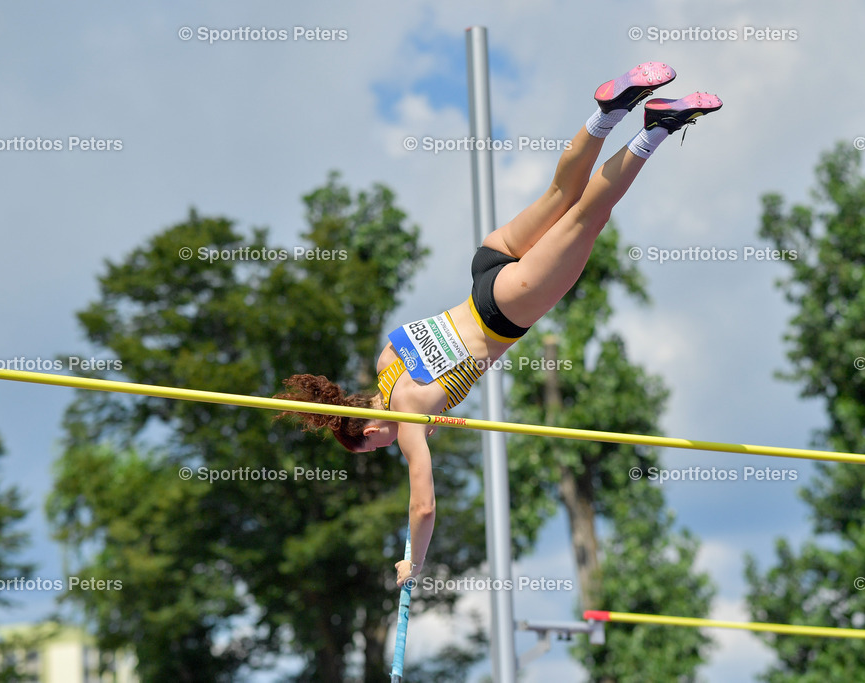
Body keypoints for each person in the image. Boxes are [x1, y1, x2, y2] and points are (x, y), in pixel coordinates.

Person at [276, 63, 721, 587]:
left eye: (378, 445)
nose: (387, 446)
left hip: (506, 310)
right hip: (487, 265)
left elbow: (423, 507)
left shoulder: (408, 414)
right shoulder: (386, 360)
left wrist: (413, 564)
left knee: (586, 217)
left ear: (370, 429)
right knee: (561, 196)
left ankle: (656, 128)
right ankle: (609, 114)